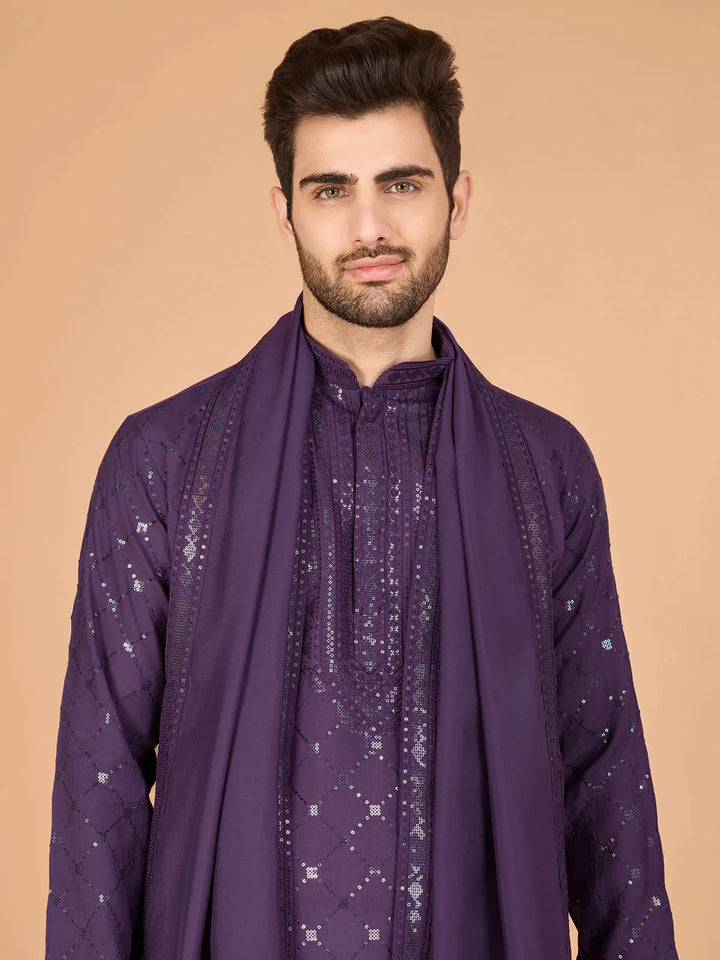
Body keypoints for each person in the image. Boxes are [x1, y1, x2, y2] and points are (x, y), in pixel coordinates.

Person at [44, 15, 679, 960]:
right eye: (331, 190)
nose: (369, 226)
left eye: (402, 184)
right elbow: (98, 796)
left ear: (457, 200)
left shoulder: (546, 469)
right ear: (284, 211)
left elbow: (606, 784)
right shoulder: (166, 462)